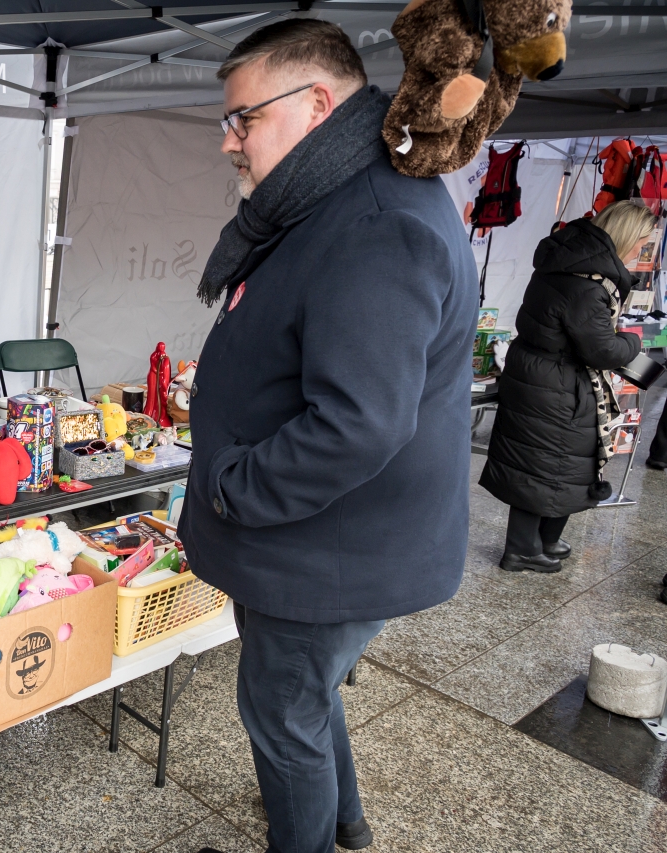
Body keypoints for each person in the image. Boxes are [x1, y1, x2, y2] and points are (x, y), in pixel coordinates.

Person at [178, 20, 477, 853]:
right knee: (305, 696)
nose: (228, 140)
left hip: (326, 544)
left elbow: (358, 423)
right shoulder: (332, 194)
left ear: (316, 104)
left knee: (281, 712)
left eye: (243, 118)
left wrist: (233, 488)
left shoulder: (377, 219)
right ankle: (345, 821)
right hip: (313, 535)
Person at [479, 201, 655, 572]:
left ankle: (544, 540)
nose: (641, 251)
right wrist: (633, 341)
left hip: (543, 375)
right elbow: (602, 350)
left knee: (554, 464)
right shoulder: (587, 285)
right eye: (641, 243)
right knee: (542, 466)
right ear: (625, 237)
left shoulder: (567, 261)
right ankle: (522, 549)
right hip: (556, 382)